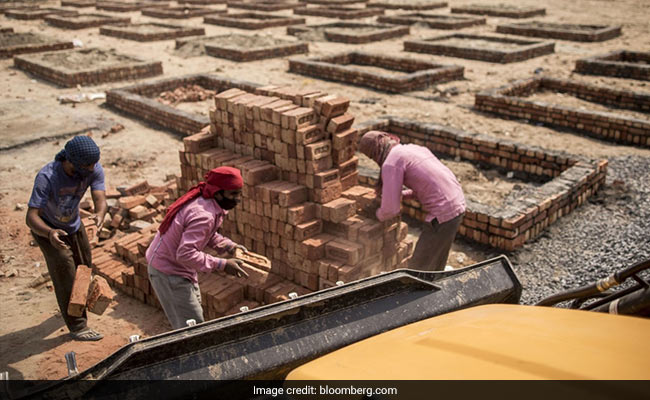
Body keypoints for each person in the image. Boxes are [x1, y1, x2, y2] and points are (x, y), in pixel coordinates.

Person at [146, 166, 249, 330]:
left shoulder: (210, 203)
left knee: (193, 320)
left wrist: (229, 246)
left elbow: (207, 235)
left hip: (179, 269)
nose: (237, 199)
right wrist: (222, 264)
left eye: (239, 193)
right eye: (233, 194)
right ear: (218, 192)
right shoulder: (204, 215)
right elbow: (185, 254)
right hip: (169, 272)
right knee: (191, 329)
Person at [26, 135, 107, 341]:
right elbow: (31, 216)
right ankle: (78, 326)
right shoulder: (47, 177)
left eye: (94, 163)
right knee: (66, 273)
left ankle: (78, 305)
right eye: (88, 165)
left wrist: (99, 214)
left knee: (84, 268)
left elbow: (100, 198)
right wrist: (50, 233)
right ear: (72, 162)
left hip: (73, 225)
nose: (93, 168)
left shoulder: (93, 168)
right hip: (48, 229)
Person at [359, 130, 466, 272]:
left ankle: (423, 293)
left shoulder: (391, 163)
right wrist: (401, 195)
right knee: (435, 261)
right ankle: (435, 287)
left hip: (443, 213)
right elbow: (427, 184)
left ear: (374, 152)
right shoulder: (413, 149)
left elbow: (391, 210)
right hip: (457, 202)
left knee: (420, 268)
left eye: (371, 156)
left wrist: (375, 214)